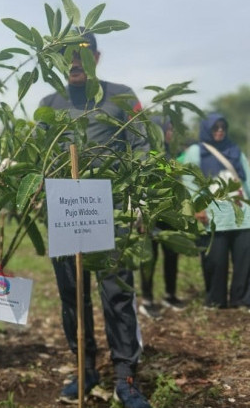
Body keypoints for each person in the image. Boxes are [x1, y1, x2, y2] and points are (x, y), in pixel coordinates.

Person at [38, 30, 152, 408]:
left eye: (81, 54)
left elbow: (140, 144)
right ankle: (84, 367)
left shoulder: (121, 96)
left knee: (118, 295)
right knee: (72, 296)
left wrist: (137, 197)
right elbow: (37, 159)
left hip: (112, 212)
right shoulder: (48, 104)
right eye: (67, 55)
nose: (73, 62)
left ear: (96, 59)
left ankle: (126, 374)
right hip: (64, 216)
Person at [180, 113, 250, 315]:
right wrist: (196, 207)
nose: (219, 131)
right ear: (207, 129)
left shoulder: (234, 149)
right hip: (214, 215)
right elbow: (189, 180)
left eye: (222, 127)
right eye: (215, 127)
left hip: (240, 211)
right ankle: (215, 300)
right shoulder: (196, 151)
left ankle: (246, 299)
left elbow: (248, 177)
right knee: (214, 261)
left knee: (245, 259)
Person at [138, 117, 185, 320]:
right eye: (168, 129)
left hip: (170, 212)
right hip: (150, 213)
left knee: (172, 252)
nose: (171, 133)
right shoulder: (146, 154)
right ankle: (147, 299)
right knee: (149, 256)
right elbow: (139, 184)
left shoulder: (173, 154)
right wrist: (140, 216)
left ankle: (170, 294)